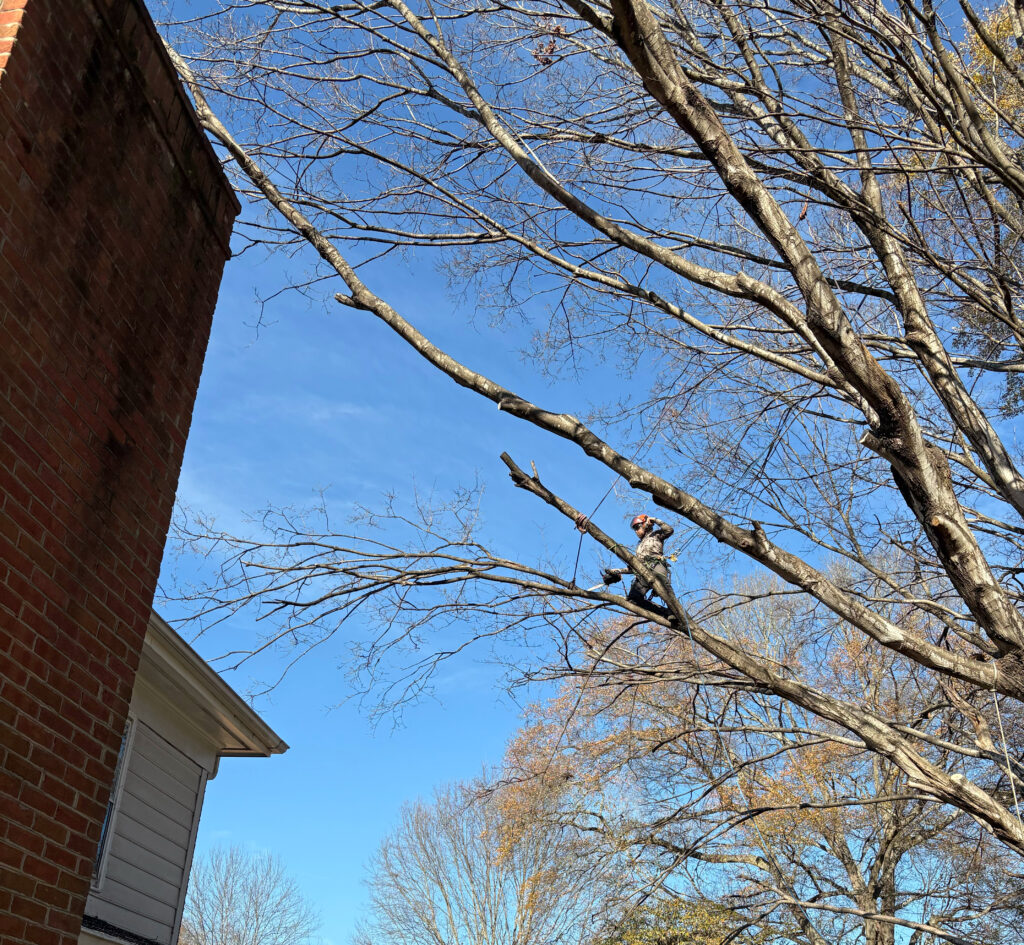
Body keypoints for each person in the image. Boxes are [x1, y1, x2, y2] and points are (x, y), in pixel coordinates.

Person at [577, 512, 674, 611]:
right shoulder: (639, 546)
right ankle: (664, 613)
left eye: (637, 527)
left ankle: (674, 612)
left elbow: (669, 530)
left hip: (657, 566)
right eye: (634, 529)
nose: (636, 531)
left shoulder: (655, 535)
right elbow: (634, 567)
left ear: (645, 525)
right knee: (633, 599)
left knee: (665, 588)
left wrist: (654, 519)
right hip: (643, 573)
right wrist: (618, 571)